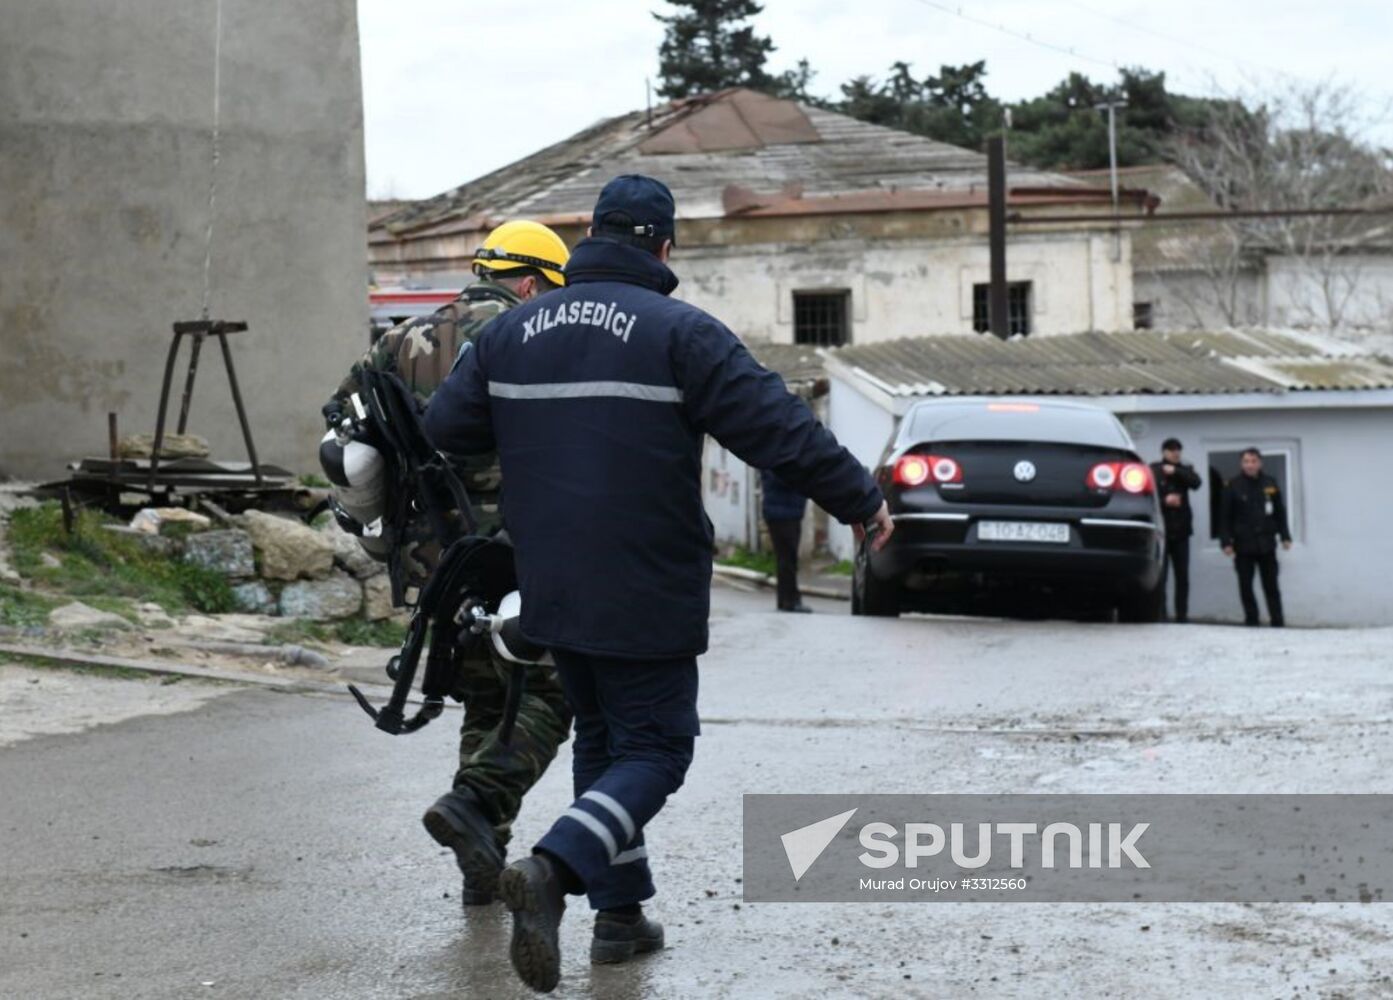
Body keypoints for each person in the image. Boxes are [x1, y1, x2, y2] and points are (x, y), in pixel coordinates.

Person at [424, 174, 894, 992]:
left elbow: (445, 432)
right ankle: (557, 867)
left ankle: (620, 918)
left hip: (548, 582)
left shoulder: (511, 333)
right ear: (664, 247)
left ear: (590, 238)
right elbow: (776, 428)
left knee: (603, 740)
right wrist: (859, 498)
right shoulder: (681, 332)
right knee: (656, 749)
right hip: (644, 578)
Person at [326, 220, 574, 906]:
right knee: (551, 688)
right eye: (549, 291)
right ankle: (476, 803)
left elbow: (344, 435)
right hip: (517, 545)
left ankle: (482, 856)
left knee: (484, 692)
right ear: (530, 282)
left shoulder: (397, 340)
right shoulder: (529, 337)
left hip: (435, 554)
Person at [1218, 447, 1292, 627]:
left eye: (1253, 461)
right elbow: (1224, 517)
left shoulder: (1270, 483)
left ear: (1260, 463)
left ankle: (1277, 620)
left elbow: (1279, 513)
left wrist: (1285, 536)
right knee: (1245, 585)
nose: (1250, 465)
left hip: (1266, 543)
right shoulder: (1232, 485)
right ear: (1241, 464)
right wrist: (1226, 542)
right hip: (1243, 545)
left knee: (1271, 586)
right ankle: (1252, 620)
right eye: (1246, 462)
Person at [1149, 438, 1202, 623]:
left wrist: (1177, 471)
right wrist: (1165, 501)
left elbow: (1196, 483)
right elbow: (1149, 497)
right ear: (1163, 452)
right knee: (1161, 577)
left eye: (1178, 450)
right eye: (1171, 450)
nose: (1175, 453)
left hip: (1181, 532)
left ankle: (1182, 616)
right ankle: (1161, 615)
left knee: (1182, 577)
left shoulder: (1185, 468)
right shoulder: (1154, 469)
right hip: (1162, 533)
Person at [761, 469, 811, 613]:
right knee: (787, 558)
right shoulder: (773, 458)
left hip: (787, 511)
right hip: (782, 512)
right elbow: (781, 479)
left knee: (787, 558)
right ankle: (790, 600)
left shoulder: (775, 455)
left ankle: (785, 599)